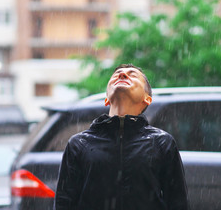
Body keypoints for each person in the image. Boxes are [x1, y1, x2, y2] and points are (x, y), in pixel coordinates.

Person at [54, 64, 188, 210]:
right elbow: (63, 204)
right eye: (117, 74)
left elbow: (178, 203)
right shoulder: (79, 144)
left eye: (132, 75)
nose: (122, 75)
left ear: (147, 99)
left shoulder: (162, 142)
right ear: (107, 99)